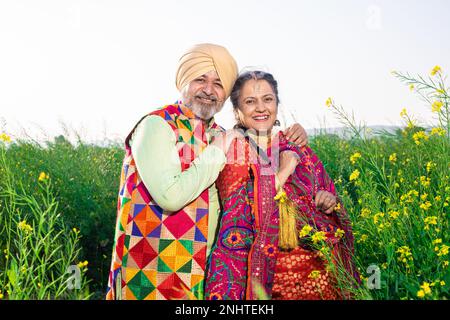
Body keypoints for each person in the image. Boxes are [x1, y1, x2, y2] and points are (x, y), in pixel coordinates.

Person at [106, 44, 309, 300]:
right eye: (200, 79)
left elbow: (256, 188)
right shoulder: (157, 125)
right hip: (150, 273)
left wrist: (292, 138)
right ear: (184, 81)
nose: (209, 90)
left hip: (202, 276)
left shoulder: (221, 134)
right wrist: (217, 150)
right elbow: (171, 195)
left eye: (218, 83)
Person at [204, 70, 359, 300]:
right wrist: (286, 169)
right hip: (264, 278)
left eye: (268, 99)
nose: (261, 108)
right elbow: (242, 206)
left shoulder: (296, 146)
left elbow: (328, 197)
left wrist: (329, 201)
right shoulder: (233, 147)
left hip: (317, 276)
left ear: (277, 104)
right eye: (250, 101)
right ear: (237, 110)